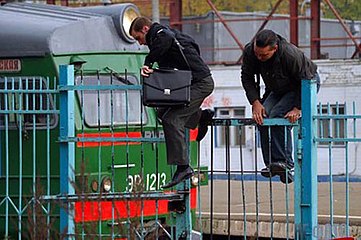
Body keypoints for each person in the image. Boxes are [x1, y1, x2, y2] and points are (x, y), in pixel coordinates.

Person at [129, 17, 214, 188]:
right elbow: (190, 45)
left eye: (138, 38)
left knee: (172, 120)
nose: (140, 44)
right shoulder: (166, 36)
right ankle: (200, 116)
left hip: (200, 83)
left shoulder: (161, 34)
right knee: (162, 113)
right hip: (191, 83)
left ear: (145, 29)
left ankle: (183, 167)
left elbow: (165, 39)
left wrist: (147, 62)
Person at [241, 29, 318, 184]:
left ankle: (286, 164)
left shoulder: (290, 55)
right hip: (277, 89)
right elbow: (247, 77)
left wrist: (298, 107)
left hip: (301, 86)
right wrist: (255, 102)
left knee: (277, 115)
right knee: (262, 117)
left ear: (274, 48)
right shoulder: (250, 51)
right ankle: (272, 164)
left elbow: (307, 80)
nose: (259, 58)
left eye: (264, 55)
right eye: (257, 53)